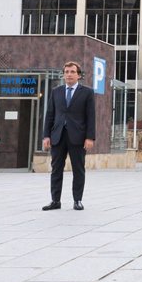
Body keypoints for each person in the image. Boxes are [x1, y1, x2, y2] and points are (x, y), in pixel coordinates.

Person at [42, 61, 96, 211]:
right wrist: (46, 136)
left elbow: (90, 116)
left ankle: (77, 200)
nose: (69, 74)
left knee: (78, 169)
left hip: (78, 137)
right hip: (58, 136)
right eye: (66, 72)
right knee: (56, 169)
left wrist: (90, 137)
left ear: (78, 75)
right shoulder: (56, 91)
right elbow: (50, 115)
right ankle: (55, 201)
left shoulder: (87, 92)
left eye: (72, 72)